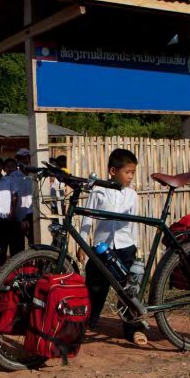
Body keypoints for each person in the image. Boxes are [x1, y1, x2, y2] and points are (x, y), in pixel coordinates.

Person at [78, 148, 147, 345]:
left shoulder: (132, 195)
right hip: (101, 248)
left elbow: (133, 223)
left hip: (126, 248)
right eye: (128, 172)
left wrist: (135, 247)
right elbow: (88, 218)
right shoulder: (99, 191)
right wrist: (83, 244)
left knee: (128, 291)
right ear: (112, 171)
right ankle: (85, 325)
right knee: (94, 288)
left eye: (133, 172)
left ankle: (133, 328)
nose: (131, 176)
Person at [10, 149, 34, 254]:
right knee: (18, 246)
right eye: (20, 158)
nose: (24, 160)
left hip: (33, 213)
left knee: (34, 243)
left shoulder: (35, 174)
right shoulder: (13, 176)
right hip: (19, 214)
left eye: (26, 157)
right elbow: (13, 196)